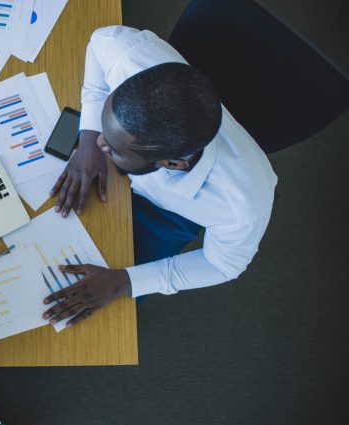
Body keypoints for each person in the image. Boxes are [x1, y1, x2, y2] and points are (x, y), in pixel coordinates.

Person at [43, 26, 277, 327]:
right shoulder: (130, 54)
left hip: (174, 214)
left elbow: (221, 266)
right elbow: (100, 41)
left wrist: (121, 282)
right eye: (106, 132)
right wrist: (88, 139)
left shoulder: (241, 207)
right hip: (141, 175)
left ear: (174, 163)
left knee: (97, 305)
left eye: (112, 148)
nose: (104, 144)